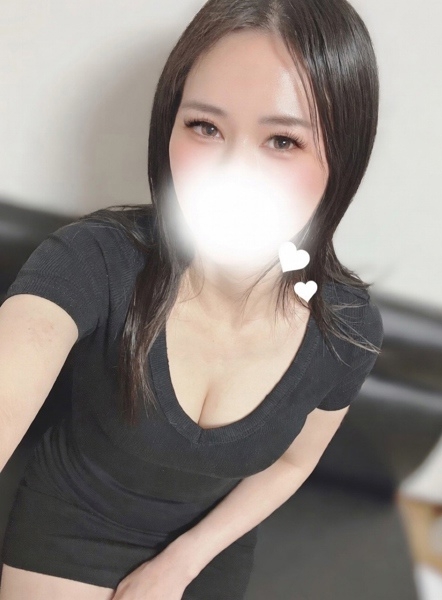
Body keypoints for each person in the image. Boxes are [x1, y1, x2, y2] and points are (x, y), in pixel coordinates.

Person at [0, 0, 384, 598]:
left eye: (283, 140)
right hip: (71, 526)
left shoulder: (347, 329)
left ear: (343, 156)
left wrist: (181, 564)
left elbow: (293, 462)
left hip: (206, 552)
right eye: (205, 127)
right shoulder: (92, 259)